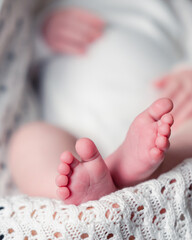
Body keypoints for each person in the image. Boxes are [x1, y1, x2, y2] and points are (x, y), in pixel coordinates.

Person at [7, 0, 192, 205]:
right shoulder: (52, 6)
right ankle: (68, 189)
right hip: (74, 140)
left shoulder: (177, 5)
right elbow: (17, 63)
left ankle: (147, 170)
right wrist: (43, 35)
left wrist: (187, 71)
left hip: (163, 128)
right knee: (28, 140)